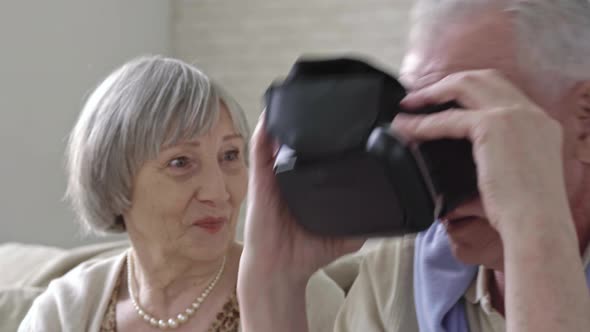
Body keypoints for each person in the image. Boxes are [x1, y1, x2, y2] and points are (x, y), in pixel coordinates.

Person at [237, 1, 590, 331]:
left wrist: (534, 230)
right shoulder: (402, 275)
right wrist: (274, 281)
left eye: (464, 126)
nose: (430, 173)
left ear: (584, 123)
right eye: (418, 123)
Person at [18, 55, 251, 331]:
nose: (218, 192)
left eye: (230, 155)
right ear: (114, 177)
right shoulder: (63, 311)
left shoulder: (293, 296)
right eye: (181, 162)